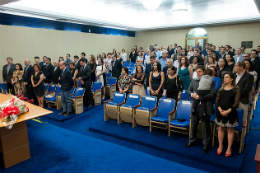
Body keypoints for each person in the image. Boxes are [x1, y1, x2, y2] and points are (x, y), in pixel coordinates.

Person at [185, 65, 215, 153]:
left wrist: (200, 97)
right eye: (196, 72)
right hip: (195, 105)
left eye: (200, 72)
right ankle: (191, 141)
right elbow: (188, 91)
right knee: (193, 124)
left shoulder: (210, 81)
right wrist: (192, 95)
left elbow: (211, 93)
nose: (197, 73)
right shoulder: (194, 80)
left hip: (205, 106)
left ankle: (206, 144)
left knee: (205, 126)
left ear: (204, 72)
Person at [215, 73, 240, 157]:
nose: (224, 79)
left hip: (231, 112)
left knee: (230, 130)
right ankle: (220, 145)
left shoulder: (236, 89)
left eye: (227, 77)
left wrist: (227, 111)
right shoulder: (220, 89)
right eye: (224, 77)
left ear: (232, 79)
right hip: (220, 112)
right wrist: (221, 111)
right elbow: (217, 101)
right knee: (220, 128)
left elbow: (236, 103)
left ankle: (229, 148)